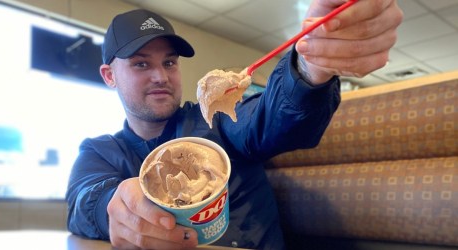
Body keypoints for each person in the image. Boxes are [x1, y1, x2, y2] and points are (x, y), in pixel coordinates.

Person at [66, 0, 403, 249]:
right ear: (110, 76)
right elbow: (84, 202)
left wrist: (312, 65)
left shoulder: (216, 118)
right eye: (141, 64)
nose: (161, 76)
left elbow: (275, 118)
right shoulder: (100, 152)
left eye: (169, 62)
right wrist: (116, 206)